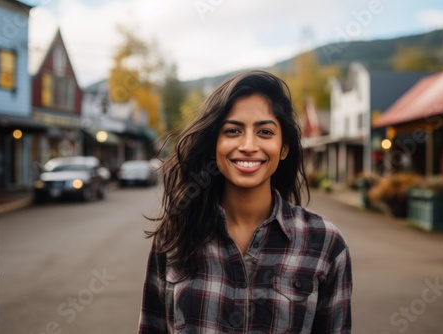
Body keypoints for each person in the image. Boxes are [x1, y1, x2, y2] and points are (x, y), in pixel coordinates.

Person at [138, 70, 352, 333]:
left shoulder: (326, 244)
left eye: (264, 131)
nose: (249, 145)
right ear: (214, 144)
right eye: (232, 131)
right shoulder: (175, 234)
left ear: (284, 148)